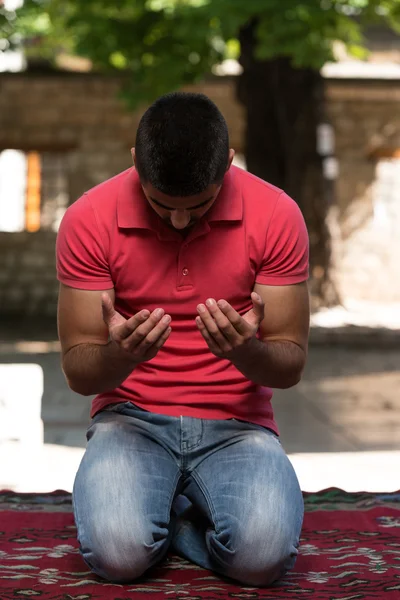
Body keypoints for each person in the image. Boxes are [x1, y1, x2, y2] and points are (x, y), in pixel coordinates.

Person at [56, 92, 310, 587]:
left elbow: (290, 366)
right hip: (129, 421)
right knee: (118, 556)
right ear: (135, 164)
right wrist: (119, 356)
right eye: (160, 203)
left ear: (229, 165)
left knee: (263, 559)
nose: (178, 220)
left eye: (198, 205)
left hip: (239, 425)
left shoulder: (276, 214)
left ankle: (173, 516)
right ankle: (170, 509)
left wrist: (246, 351)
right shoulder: (89, 218)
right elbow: (79, 377)